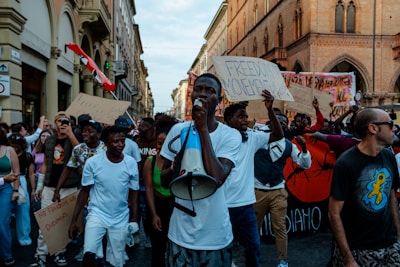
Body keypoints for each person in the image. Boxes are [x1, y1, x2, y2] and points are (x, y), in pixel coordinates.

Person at [160, 73, 242, 267]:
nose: (203, 94)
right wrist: (176, 165)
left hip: (215, 237)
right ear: (192, 95)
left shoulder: (230, 136)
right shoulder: (177, 131)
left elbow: (217, 177)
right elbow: (163, 181)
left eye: (210, 91)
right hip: (180, 235)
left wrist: (202, 128)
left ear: (219, 101)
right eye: (199, 89)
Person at [328, 108, 400, 266]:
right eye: (390, 124)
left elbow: (391, 196)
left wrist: (398, 234)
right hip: (357, 250)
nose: (394, 128)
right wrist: (348, 259)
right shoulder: (346, 163)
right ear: (373, 128)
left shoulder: (389, 157)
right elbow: (334, 213)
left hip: (389, 245)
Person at [222, 92, 283, 267]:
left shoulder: (252, 137)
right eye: (240, 116)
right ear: (228, 120)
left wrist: (270, 110)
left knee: (254, 246)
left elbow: (278, 135)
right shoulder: (220, 137)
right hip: (224, 206)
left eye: (246, 116)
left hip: (247, 206)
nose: (245, 120)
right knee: (224, 247)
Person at [68, 125, 139, 267]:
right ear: (105, 142)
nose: (120, 145)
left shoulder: (130, 163)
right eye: (115, 141)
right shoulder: (93, 163)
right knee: (89, 253)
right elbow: (84, 191)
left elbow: (134, 192)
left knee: (117, 261)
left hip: (120, 217)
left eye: (122, 141)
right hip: (97, 214)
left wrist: (135, 217)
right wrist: (74, 220)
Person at [253, 113, 311, 267]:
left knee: (280, 227)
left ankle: (283, 261)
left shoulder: (289, 145)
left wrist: (304, 147)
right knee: (253, 228)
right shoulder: (258, 139)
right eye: (278, 122)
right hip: (257, 190)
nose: (282, 125)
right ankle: (253, 259)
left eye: (284, 123)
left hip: (278, 191)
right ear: (269, 124)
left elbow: (305, 164)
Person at [30, 111, 79, 267]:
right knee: (46, 220)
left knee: (63, 222)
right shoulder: (49, 140)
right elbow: (45, 164)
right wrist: (39, 186)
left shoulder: (74, 138)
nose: (62, 123)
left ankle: (59, 252)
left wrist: (70, 134)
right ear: (55, 122)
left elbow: (81, 153)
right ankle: (41, 254)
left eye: (66, 121)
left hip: (68, 186)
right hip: (50, 186)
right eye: (59, 120)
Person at [144, 115, 178, 267]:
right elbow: (149, 189)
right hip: (157, 207)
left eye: (165, 144)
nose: (161, 148)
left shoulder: (180, 160)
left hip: (176, 208)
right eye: (159, 143)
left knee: (175, 249)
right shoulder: (150, 161)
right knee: (158, 249)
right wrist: (154, 215)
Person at [134, 117, 158, 248]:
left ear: (150, 128)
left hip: (154, 184)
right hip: (139, 184)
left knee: (151, 212)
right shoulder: (136, 142)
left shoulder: (158, 142)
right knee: (139, 210)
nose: (139, 128)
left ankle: (151, 235)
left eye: (142, 126)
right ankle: (137, 233)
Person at [8, 133, 33, 246]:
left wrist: (33, 188)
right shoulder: (5, 153)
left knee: (23, 210)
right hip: (7, 179)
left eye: (16, 145)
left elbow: (31, 174)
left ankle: (24, 237)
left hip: (21, 180)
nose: (13, 147)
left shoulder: (27, 156)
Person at [0, 127, 20, 266]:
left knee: (3, 222)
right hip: (3, 181)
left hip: (5, 189)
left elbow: (17, 171)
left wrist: (15, 190)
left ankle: (6, 253)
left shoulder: (9, 150)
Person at [29, 129, 53, 211]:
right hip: (37, 179)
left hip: (50, 180)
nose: (45, 138)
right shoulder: (36, 150)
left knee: (48, 206)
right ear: (40, 138)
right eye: (43, 136)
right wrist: (33, 188)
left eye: (48, 136)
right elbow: (31, 170)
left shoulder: (54, 149)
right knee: (37, 205)